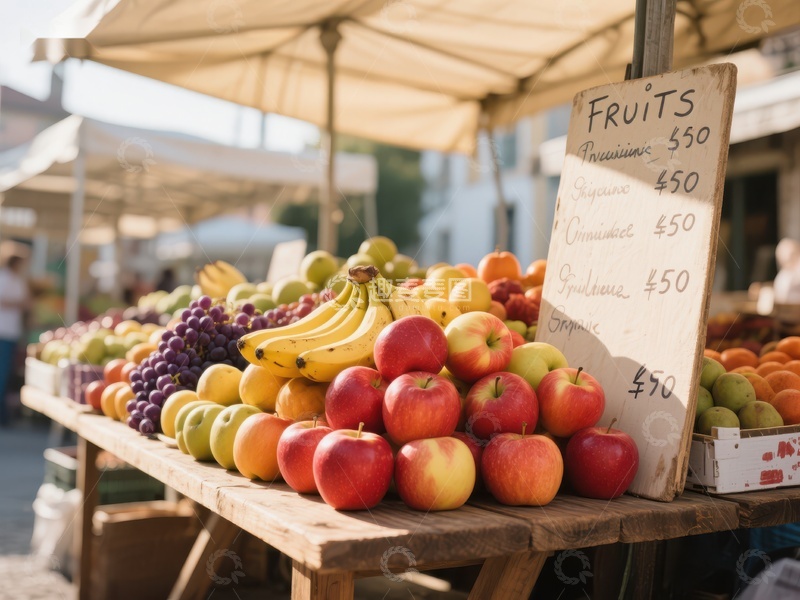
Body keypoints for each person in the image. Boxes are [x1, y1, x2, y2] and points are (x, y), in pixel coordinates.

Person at [0, 255, 28, 426]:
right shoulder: (4, 278)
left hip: (10, 332)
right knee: (2, 373)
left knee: (5, 372)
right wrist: (20, 303)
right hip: (4, 331)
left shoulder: (15, 279)